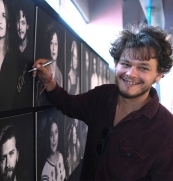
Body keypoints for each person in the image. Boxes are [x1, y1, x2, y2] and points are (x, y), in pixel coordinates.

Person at [32, 23, 173, 180]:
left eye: (143, 68)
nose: (131, 74)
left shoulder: (167, 130)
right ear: (116, 64)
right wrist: (48, 80)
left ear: (159, 74)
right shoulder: (103, 96)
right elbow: (68, 104)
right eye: (126, 64)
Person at [12, 2, 33, 109]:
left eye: (23, 23)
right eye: (17, 22)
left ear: (28, 25)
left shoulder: (33, 51)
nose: (20, 27)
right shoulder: (10, 50)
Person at [41, 115, 66, 181]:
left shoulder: (60, 156)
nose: (54, 139)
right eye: (51, 135)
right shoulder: (45, 171)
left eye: (56, 132)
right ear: (47, 137)